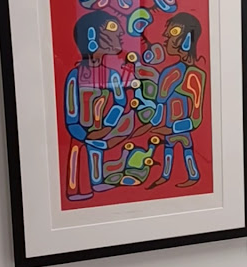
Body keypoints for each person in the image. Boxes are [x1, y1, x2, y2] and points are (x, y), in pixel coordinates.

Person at [64, 11, 134, 201]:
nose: (120, 33)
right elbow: (71, 111)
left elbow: (120, 102)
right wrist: (83, 134)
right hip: (80, 131)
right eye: (112, 27)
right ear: (91, 35)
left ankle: (97, 181)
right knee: (79, 154)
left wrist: (107, 127)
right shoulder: (75, 76)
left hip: (101, 128)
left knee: (96, 152)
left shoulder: (112, 75)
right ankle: (77, 189)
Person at [146, 12, 206, 189]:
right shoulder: (167, 73)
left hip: (179, 128)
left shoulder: (195, 75)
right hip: (167, 128)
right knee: (168, 147)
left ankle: (193, 174)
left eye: (173, 32)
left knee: (185, 146)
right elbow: (159, 109)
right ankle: (165, 175)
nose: (165, 37)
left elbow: (196, 118)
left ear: (188, 39)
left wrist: (172, 128)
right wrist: (150, 123)